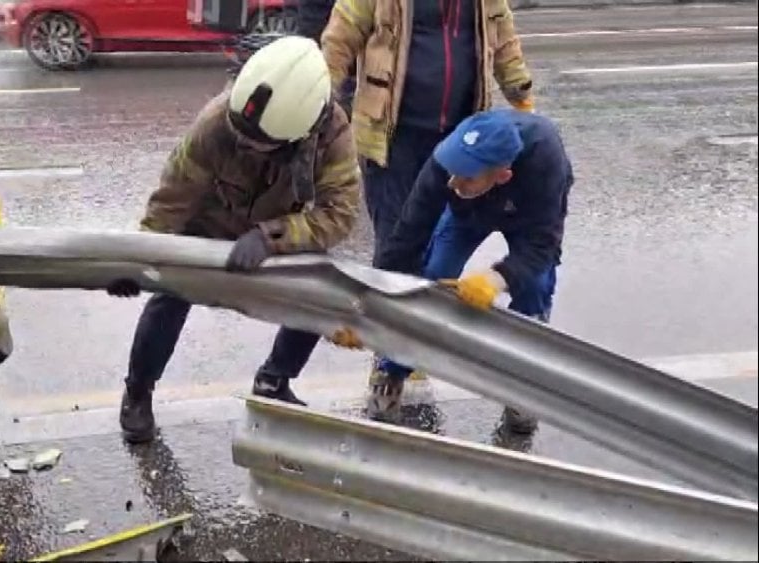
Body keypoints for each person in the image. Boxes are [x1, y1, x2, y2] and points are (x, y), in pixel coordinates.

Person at [109, 36, 361, 444]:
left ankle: (274, 381)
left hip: (278, 232)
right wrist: (137, 262)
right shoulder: (216, 124)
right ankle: (138, 390)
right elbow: (171, 200)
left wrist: (272, 237)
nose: (243, 145)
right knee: (168, 298)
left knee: (318, 293)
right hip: (209, 224)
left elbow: (340, 213)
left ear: (297, 134)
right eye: (241, 137)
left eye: (257, 143)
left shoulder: (332, 135)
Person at [319, 0, 536, 418]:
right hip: (394, 137)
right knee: (399, 242)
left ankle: (414, 342)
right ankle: (389, 354)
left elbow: (502, 37)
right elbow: (339, 39)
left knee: (439, 246)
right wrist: (324, 100)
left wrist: (521, 94)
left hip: (459, 138)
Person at [376, 108, 574, 430]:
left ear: (502, 175)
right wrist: (371, 304)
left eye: (466, 175)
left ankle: (522, 386)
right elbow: (406, 237)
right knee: (434, 273)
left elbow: (541, 246)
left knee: (535, 288)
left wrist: (497, 279)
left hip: (527, 216)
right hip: (468, 212)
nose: (451, 181)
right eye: (452, 171)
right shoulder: (448, 164)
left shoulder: (545, 164)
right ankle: (393, 368)